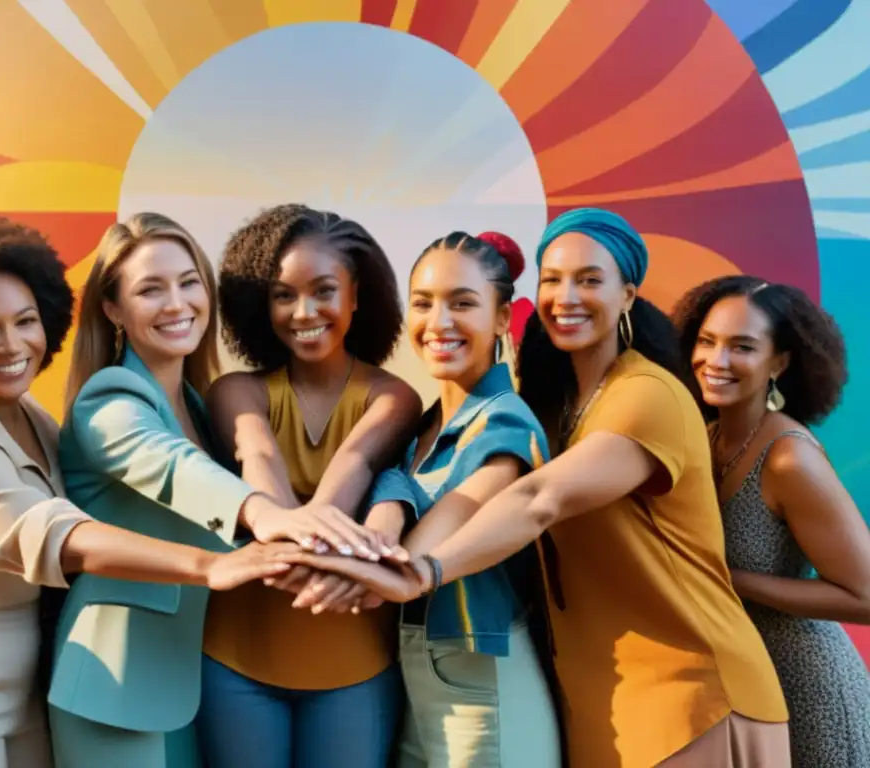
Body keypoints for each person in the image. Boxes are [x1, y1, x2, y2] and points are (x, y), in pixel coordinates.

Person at [290, 210, 792, 767]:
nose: (566, 296)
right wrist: (388, 508)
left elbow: (536, 500)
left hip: (690, 687)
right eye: (552, 280)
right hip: (601, 690)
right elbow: (415, 478)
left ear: (628, 294)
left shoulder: (647, 394)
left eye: (589, 280)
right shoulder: (556, 408)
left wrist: (417, 572)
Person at [0, 218, 296, 768]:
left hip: (28, 669)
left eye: (26, 321)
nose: (12, 345)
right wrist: (208, 564)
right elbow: (60, 536)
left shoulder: (31, 417)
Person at [45, 213, 384, 768]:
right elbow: (172, 467)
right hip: (116, 680)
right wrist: (266, 513)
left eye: (188, 282)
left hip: (186, 684)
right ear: (113, 310)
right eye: (150, 289)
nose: (177, 304)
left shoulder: (199, 405)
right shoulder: (107, 399)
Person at [293, 231, 561, 766]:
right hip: (418, 680)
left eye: (462, 303)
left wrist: (347, 566)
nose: (438, 323)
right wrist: (383, 522)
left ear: (503, 317)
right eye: (423, 303)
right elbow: (397, 489)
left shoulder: (505, 417)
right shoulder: (427, 422)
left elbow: (457, 514)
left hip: (483, 683)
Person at [196, 204, 422, 767]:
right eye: (282, 295)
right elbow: (260, 462)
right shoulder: (236, 391)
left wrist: (296, 540)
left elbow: (351, 471)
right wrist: (314, 543)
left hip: (356, 670)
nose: (304, 312)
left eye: (324, 291)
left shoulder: (394, 397)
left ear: (356, 296)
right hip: (235, 663)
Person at [674, 274, 870, 767]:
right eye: (707, 341)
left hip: (807, 689)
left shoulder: (788, 459)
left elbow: (866, 597)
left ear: (778, 362)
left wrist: (729, 579)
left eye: (741, 346)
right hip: (740, 690)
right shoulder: (703, 435)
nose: (716, 361)